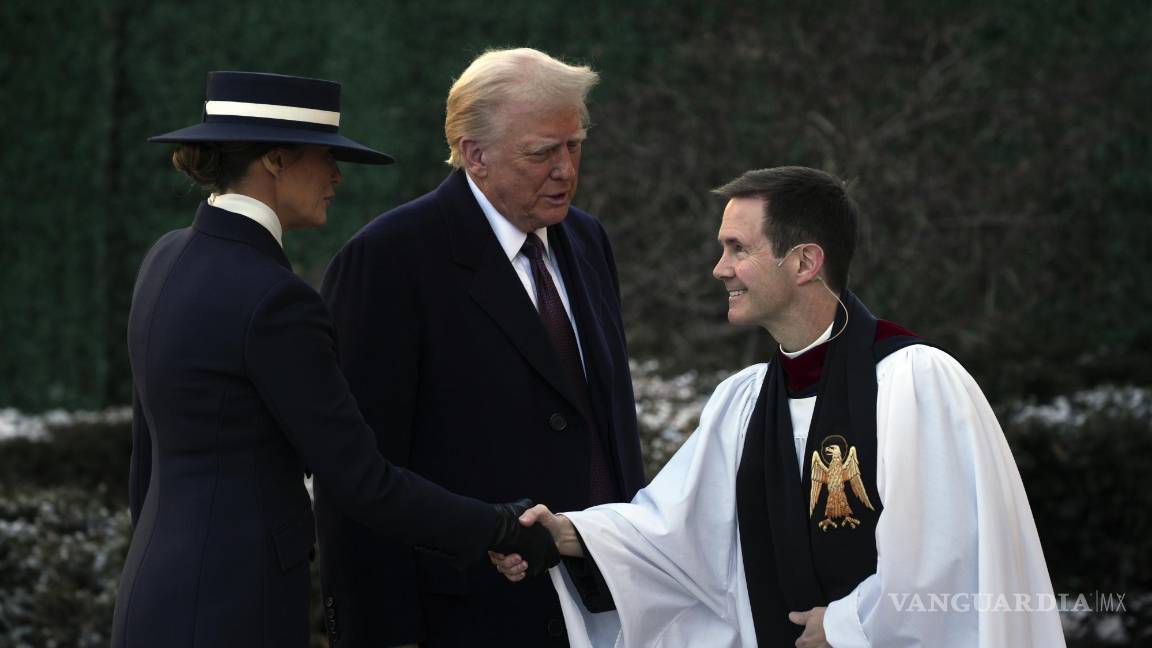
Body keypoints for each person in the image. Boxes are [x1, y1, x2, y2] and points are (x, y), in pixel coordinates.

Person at [494, 166, 1066, 647]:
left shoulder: (914, 381)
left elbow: (947, 559)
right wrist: (562, 532)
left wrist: (844, 627)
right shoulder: (743, 404)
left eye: (737, 248)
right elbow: (674, 535)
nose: (720, 269)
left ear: (803, 263)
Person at [110, 71, 557, 648]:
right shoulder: (275, 298)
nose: (337, 176)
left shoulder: (167, 257)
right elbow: (362, 481)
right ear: (275, 160)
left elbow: (147, 458)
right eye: (325, 157)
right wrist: (501, 526)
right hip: (236, 608)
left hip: (153, 594)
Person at [314, 48, 646, 647]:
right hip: (469, 616)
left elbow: (605, 423)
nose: (566, 170)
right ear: (474, 153)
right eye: (542, 152)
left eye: (574, 146)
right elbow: (356, 474)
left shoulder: (588, 239)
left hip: (607, 599)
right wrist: (380, 633)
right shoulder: (390, 260)